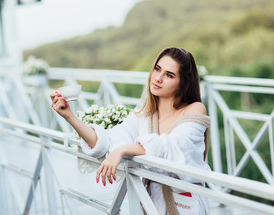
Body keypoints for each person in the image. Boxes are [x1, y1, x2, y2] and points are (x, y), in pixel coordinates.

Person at [50, 47, 210, 214]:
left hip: (185, 206)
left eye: (169, 75)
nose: (158, 78)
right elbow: (108, 142)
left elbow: (172, 145)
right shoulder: (143, 115)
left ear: (183, 83)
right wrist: (69, 116)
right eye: (157, 69)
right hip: (151, 205)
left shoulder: (195, 110)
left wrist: (124, 149)